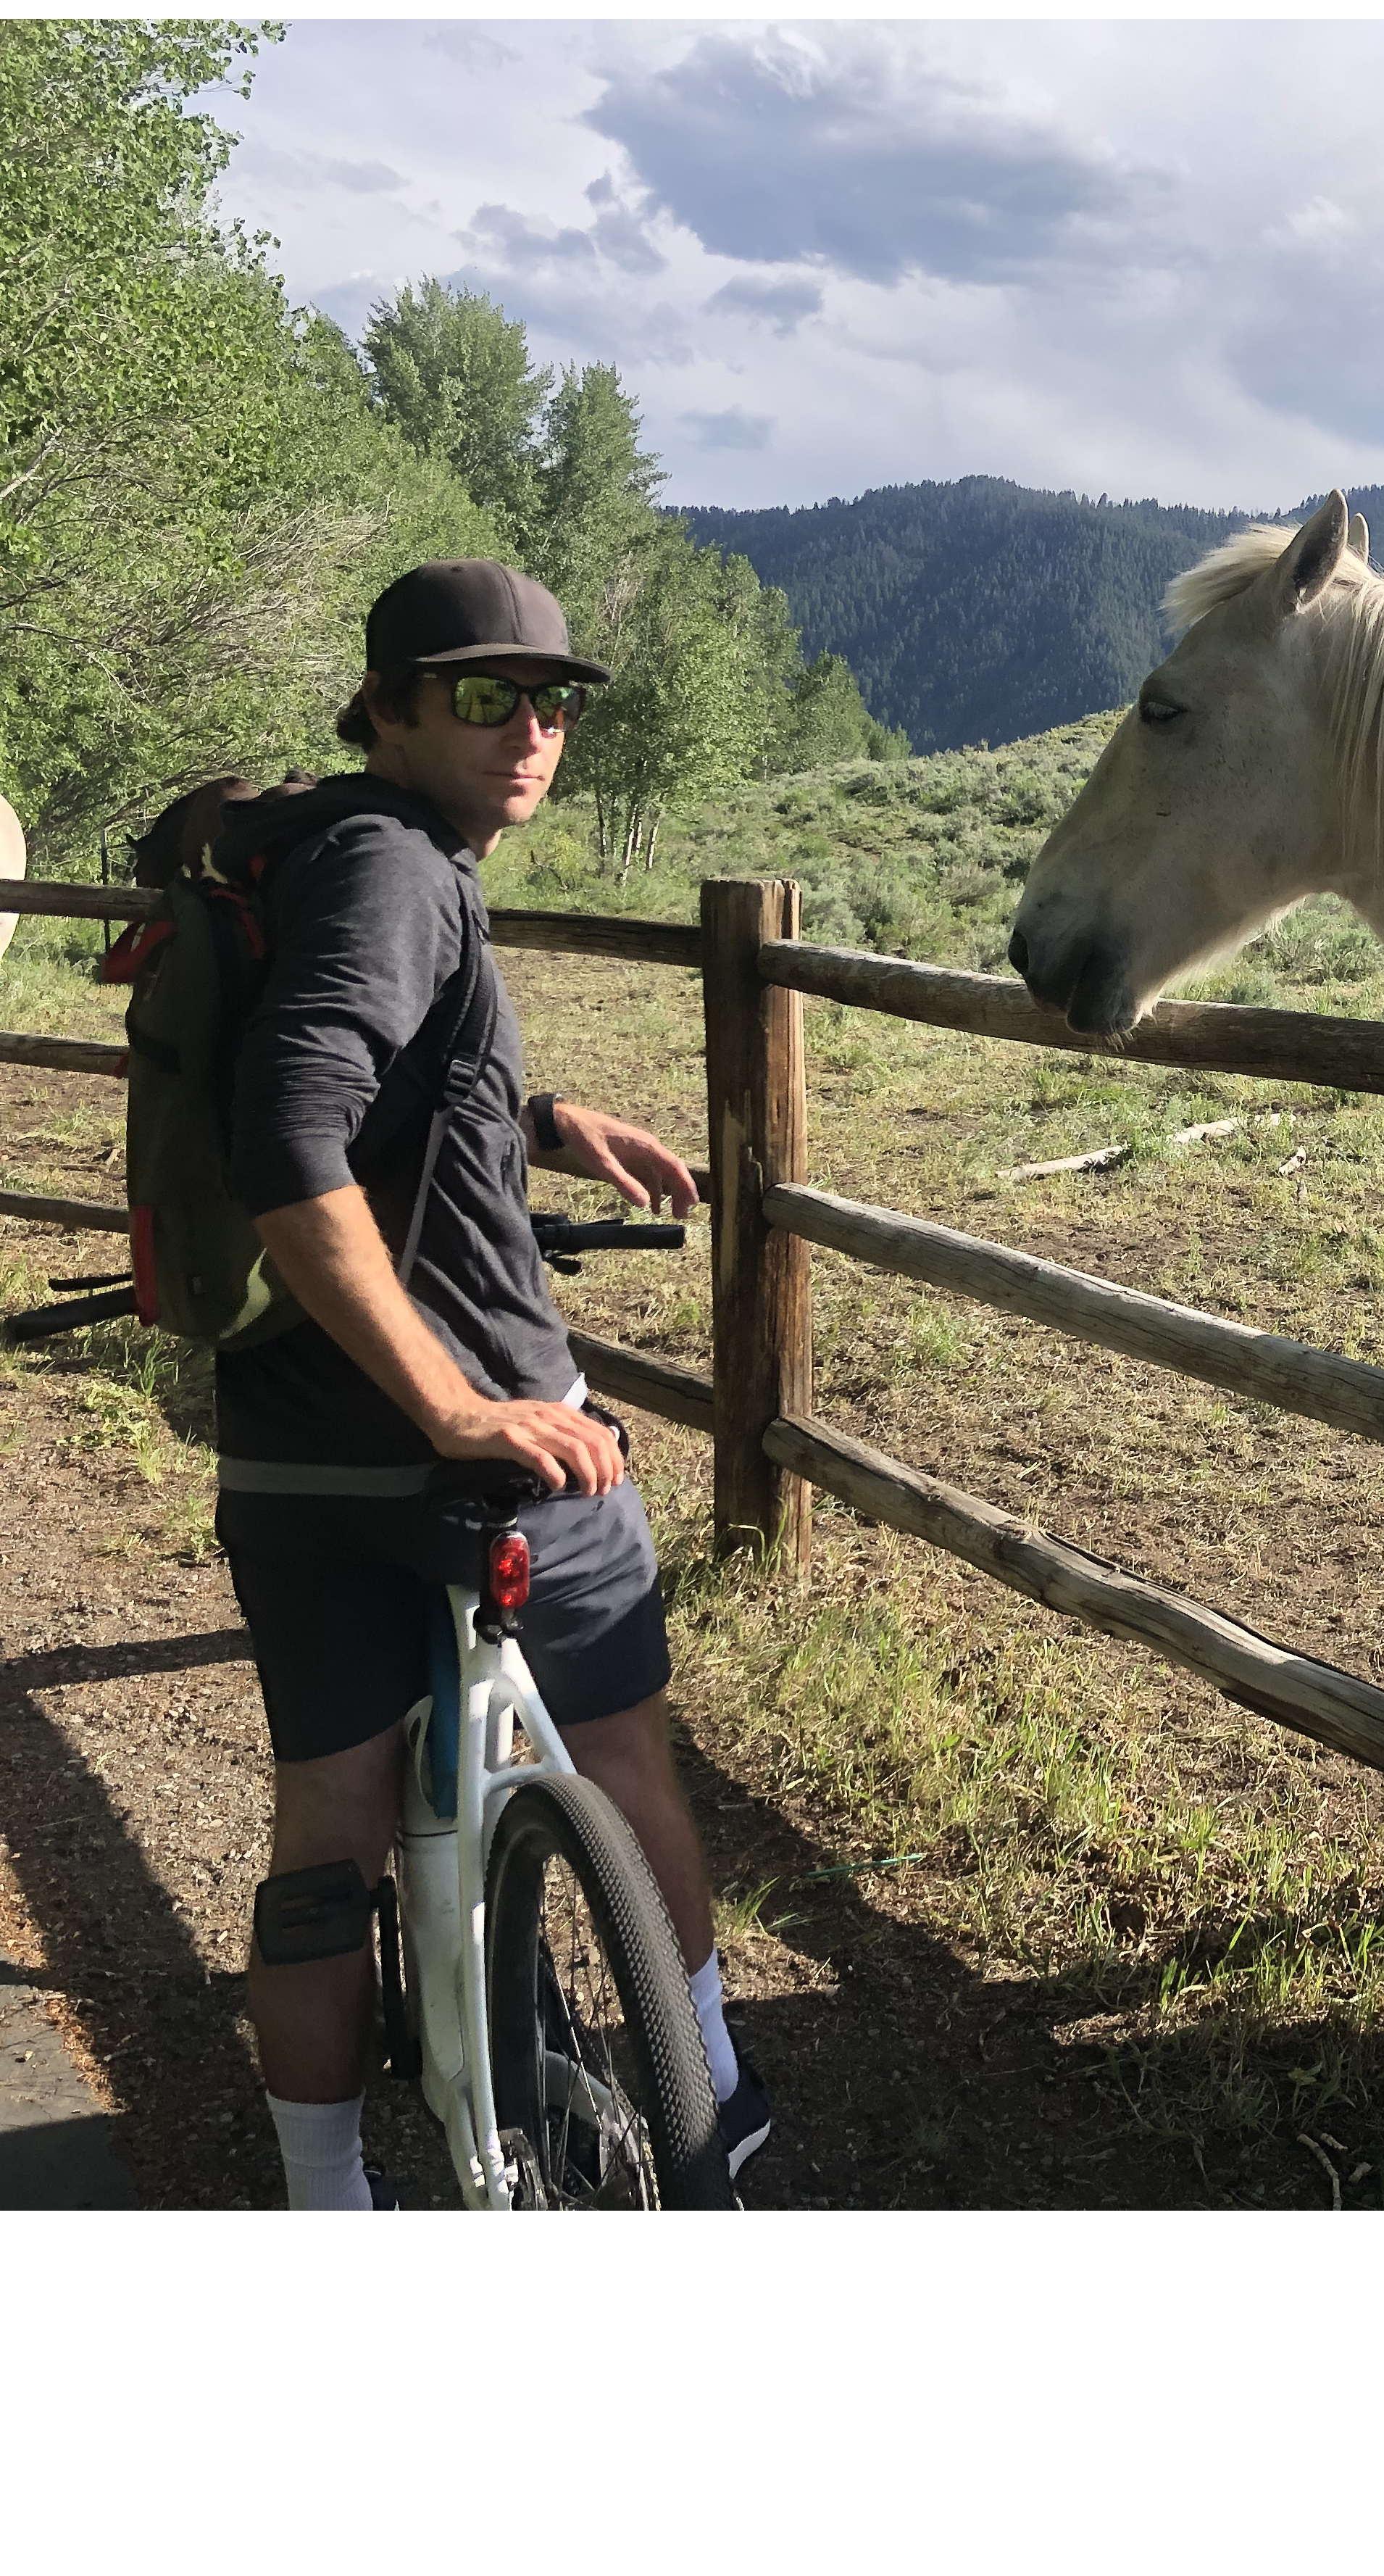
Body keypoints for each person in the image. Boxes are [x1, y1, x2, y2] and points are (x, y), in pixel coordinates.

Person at [220, 558, 766, 2207]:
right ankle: (714, 2109)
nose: (531, 728)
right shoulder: (400, 874)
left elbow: (361, 1072)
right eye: (483, 696)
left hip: (295, 1460)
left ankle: (330, 2200)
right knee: (626, 1762)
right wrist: (457, 1409)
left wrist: (532, 1119)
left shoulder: (323, 851)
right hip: (490, 1441)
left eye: (554, 699)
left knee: (327, 1835)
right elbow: (289, 1135)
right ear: (388, 706)